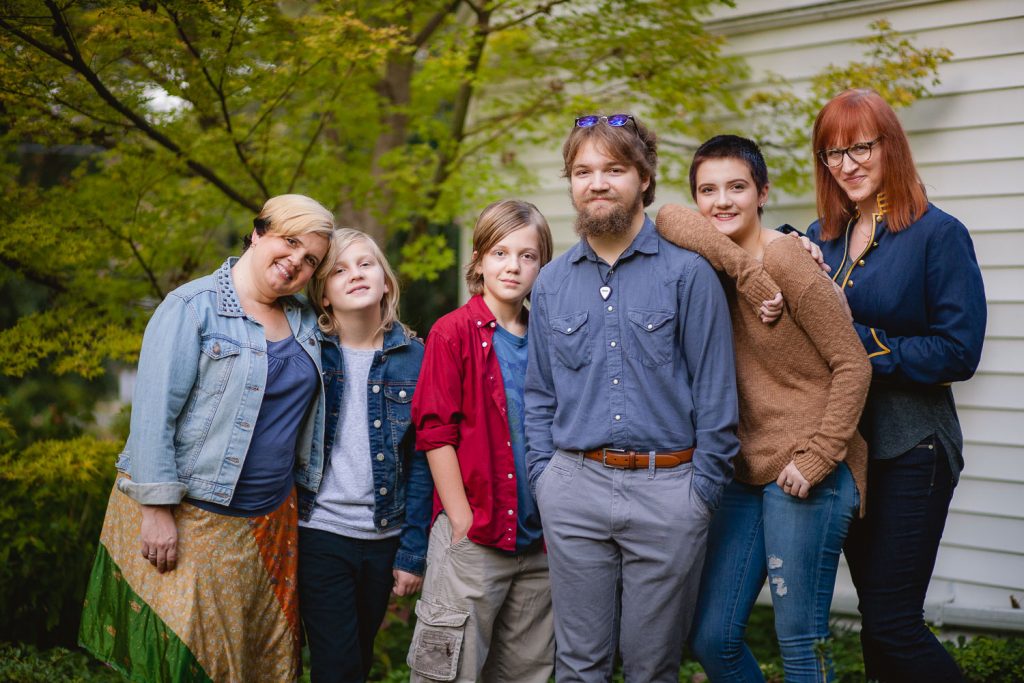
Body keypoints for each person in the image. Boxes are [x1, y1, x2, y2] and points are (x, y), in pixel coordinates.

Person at [79, 195, 335, 682]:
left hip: (271, 523)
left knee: (258, 658)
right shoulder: (191, 307)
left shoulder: (305, 321)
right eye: (290, 242)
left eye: (311, 261)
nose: (296, 263)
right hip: (195, 518)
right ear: (258, 232)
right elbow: (154, 416)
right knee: (191, 662)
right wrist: (156, 510)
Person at [523, 113, 740, 682]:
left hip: (669, 492)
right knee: (579, 665)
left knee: (651, 667)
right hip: (574, 490)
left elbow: (717, 395)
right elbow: (540, 393)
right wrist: (546, 477)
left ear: (644, 178)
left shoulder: (689, 274)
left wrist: (699, 495)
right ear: (570, 183)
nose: (597, 183)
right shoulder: (549, 283)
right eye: (583, 171)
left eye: (614, 169)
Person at [656, 134, 872, 682]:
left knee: (801, 645)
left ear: (763, 193)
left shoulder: (788, 260)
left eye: (737, 187)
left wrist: (820, 456)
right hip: (746, 470)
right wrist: (742, 271)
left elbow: (854, 364)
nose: (722, 201)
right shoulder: (715, 264)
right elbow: (665, 216)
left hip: (805, 469)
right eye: (709, 189)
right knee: (711, 637)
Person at [805, 88, 986, 682]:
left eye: (861, 147)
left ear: (891, 147)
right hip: (849, 452)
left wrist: (860, 344)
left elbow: (960, 350)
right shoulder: (822, 237)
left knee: (893, 622)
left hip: (913, 446)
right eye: (833, 153)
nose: (847, 164)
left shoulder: (938, 234)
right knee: (877, 621)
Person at [406, 200, 555, 682]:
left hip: (539, 545)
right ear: (479, 260)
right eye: (500, 252)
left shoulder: (549, 338)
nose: (513, 266)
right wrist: (461, 518)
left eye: (528, 256)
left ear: (542, 265)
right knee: (447, 672)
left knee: (526, 673)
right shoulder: (452, 333)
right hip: (474, 539)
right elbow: (435, 433)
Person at [297, 228, 432, 683]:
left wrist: (412, 552)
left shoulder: (417, 359)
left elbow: (422, 461)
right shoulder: (309, 354)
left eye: (365, 264)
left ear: (386, 281)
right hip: (320, 533)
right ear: (324, 296)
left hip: (383, 538)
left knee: (359, 658)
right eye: (338, 270)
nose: (354, 275)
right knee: (337, 667)